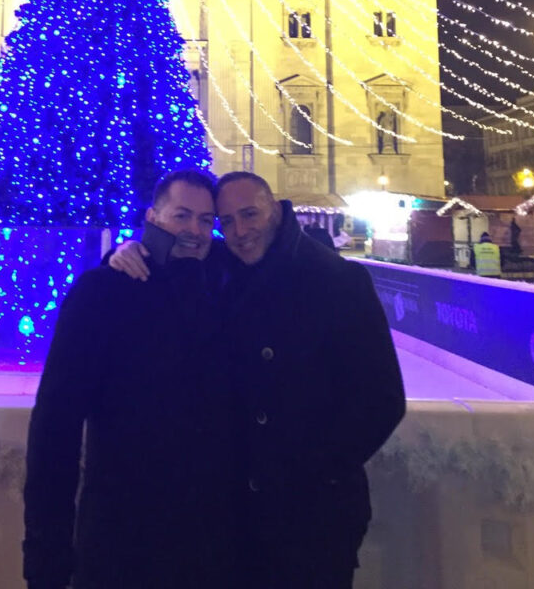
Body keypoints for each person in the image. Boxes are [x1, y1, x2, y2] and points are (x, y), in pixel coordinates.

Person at [112, 171, 406, 589]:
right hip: (235, 517)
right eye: (227, 221)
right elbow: (172, 250)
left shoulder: (337, 281)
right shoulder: (222, 265)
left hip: (312, 514)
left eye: (249, 214)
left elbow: (383, 399)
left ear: (276, 210)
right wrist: (127, 252)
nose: (240, 231)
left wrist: (312, 468)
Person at [22, 169, 242, 589]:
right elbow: (55, 427)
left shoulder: (222, 289)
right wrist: (46, 557)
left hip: (210, 545)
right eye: (181, 216)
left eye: (205, 220)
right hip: (123, 541)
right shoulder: (104, 292)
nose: (194, 231)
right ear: (153, 217)